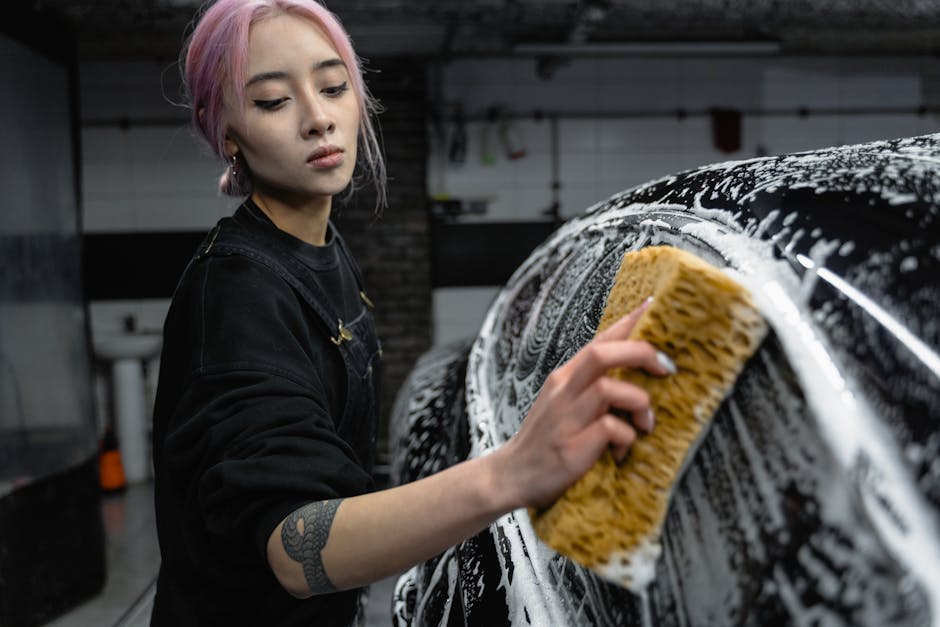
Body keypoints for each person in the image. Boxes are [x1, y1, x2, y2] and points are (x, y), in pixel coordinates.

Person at [150, 1, 676, 625]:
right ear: (226, 130)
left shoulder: (322, 250)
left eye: (333, 86)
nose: (319, 118)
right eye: (272, 101)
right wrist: (512, 472)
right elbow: (295, 551)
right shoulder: (237, 290)